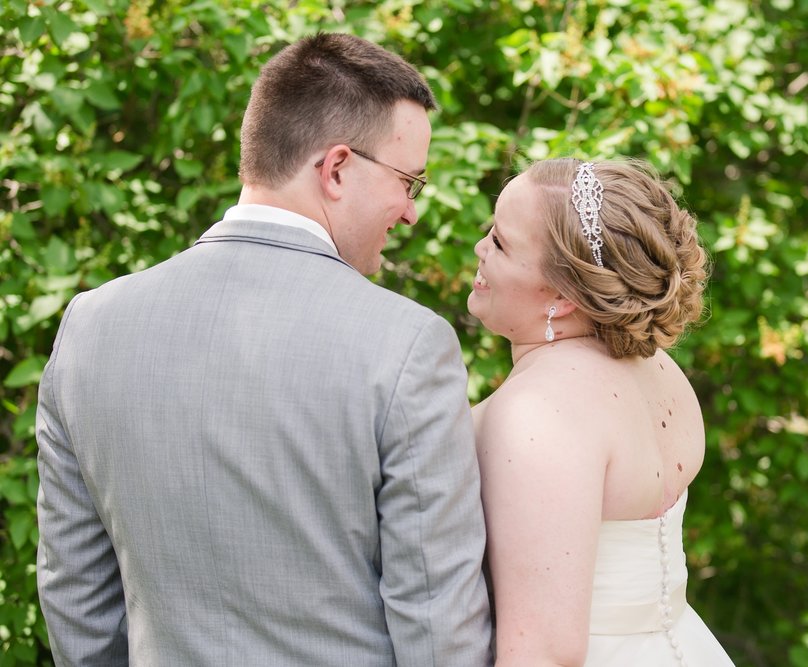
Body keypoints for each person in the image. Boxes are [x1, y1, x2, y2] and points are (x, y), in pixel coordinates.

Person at [36, 32, 492, 666]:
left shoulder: (89, 327)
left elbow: (78, 603)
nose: (409, 211)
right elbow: (440, 635)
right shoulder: (407, 346)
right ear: (336, 169)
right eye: (408, 182)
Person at [468, 158, 735, 666]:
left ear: (563, 297)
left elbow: (543, 654)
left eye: (501, 243)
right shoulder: (658, 368)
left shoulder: (538, 417)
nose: (480, 248)